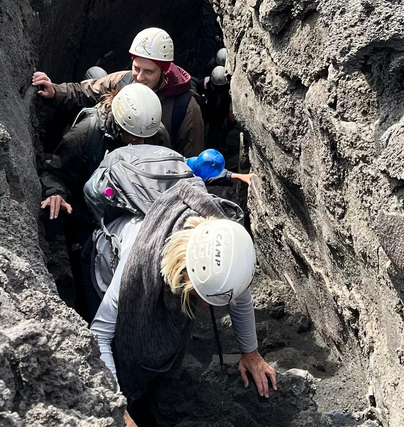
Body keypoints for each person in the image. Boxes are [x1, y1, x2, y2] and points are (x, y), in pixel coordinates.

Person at [90, 180, 276, 426]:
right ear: (184, 273)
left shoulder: (229, 244)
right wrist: (116, 406)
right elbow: (98, 334)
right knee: (124, 348)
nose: (208, 309)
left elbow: (240, 297)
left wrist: (250, 353)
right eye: (204, 296)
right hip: (107, 261)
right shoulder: (133, 272)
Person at [41, 83, 171, 321]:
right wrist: (55, 192)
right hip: (85, 217)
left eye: (145, 139)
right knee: (87, 278)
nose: (139, 144)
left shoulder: (155, 133)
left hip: (128, 215)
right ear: (119, 124)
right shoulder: (85, 135)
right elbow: (56, 172)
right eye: (133, 137)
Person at [32, 27, 205, 158]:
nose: (140, 77)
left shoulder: (186, 109)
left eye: (149, 72)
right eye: (136, 68)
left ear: (164, 69)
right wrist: (55, 91)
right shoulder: (124, 80)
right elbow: (86, 92)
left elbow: (190, 161)